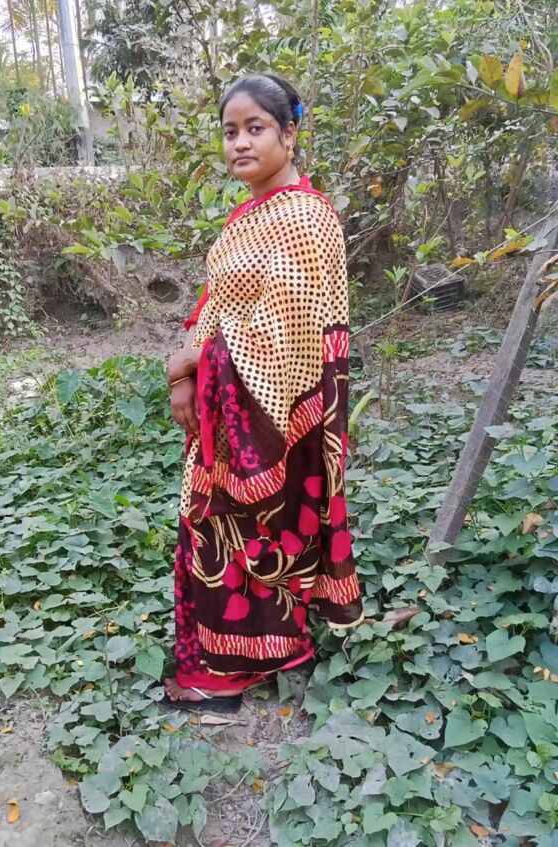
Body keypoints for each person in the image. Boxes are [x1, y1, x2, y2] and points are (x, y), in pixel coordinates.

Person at [163, 73, 363, 712]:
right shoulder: (246, 217)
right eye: (230, 132)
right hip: (224, 403)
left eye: (256, 128)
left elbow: (287, 330)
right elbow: (217, 306)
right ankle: (222, 655)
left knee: (259, 526)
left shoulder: (305, 218)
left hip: (279, 409)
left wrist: (194, 362)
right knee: (210, 524)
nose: (240, 143)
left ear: (289, 133)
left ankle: (252, 662)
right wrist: (187, 374)